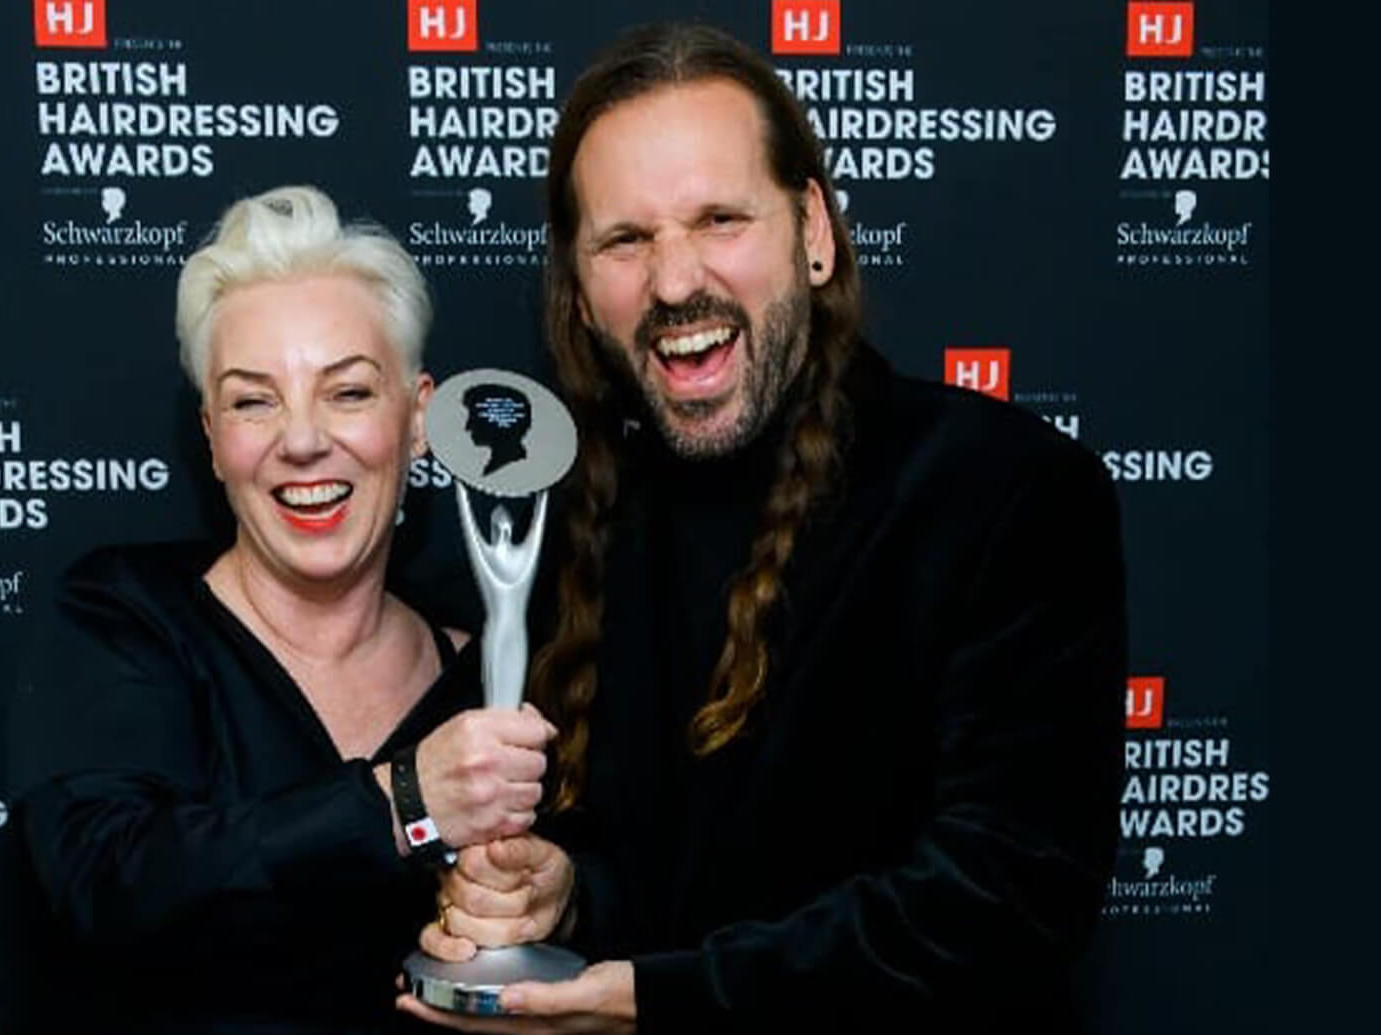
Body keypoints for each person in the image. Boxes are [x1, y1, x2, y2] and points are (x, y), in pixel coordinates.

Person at [399, 22, 1127, 1035]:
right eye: (625, 240)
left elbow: (1005, 900)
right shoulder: (577, 518)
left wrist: (660, 998)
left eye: (720, 219)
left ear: (814, 231)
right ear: (580, 290)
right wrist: (567, 895)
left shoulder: (1004, 491)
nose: (675, 282)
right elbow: (677, 869)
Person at [7, 184, 557, 1035]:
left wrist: (554, 890)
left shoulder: (494, 675)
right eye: (253, 399)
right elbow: (106, 885)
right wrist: (405, 799)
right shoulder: (124, 620)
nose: (301, 440)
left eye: (348, 392)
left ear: (419, 419)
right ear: (211, 436)